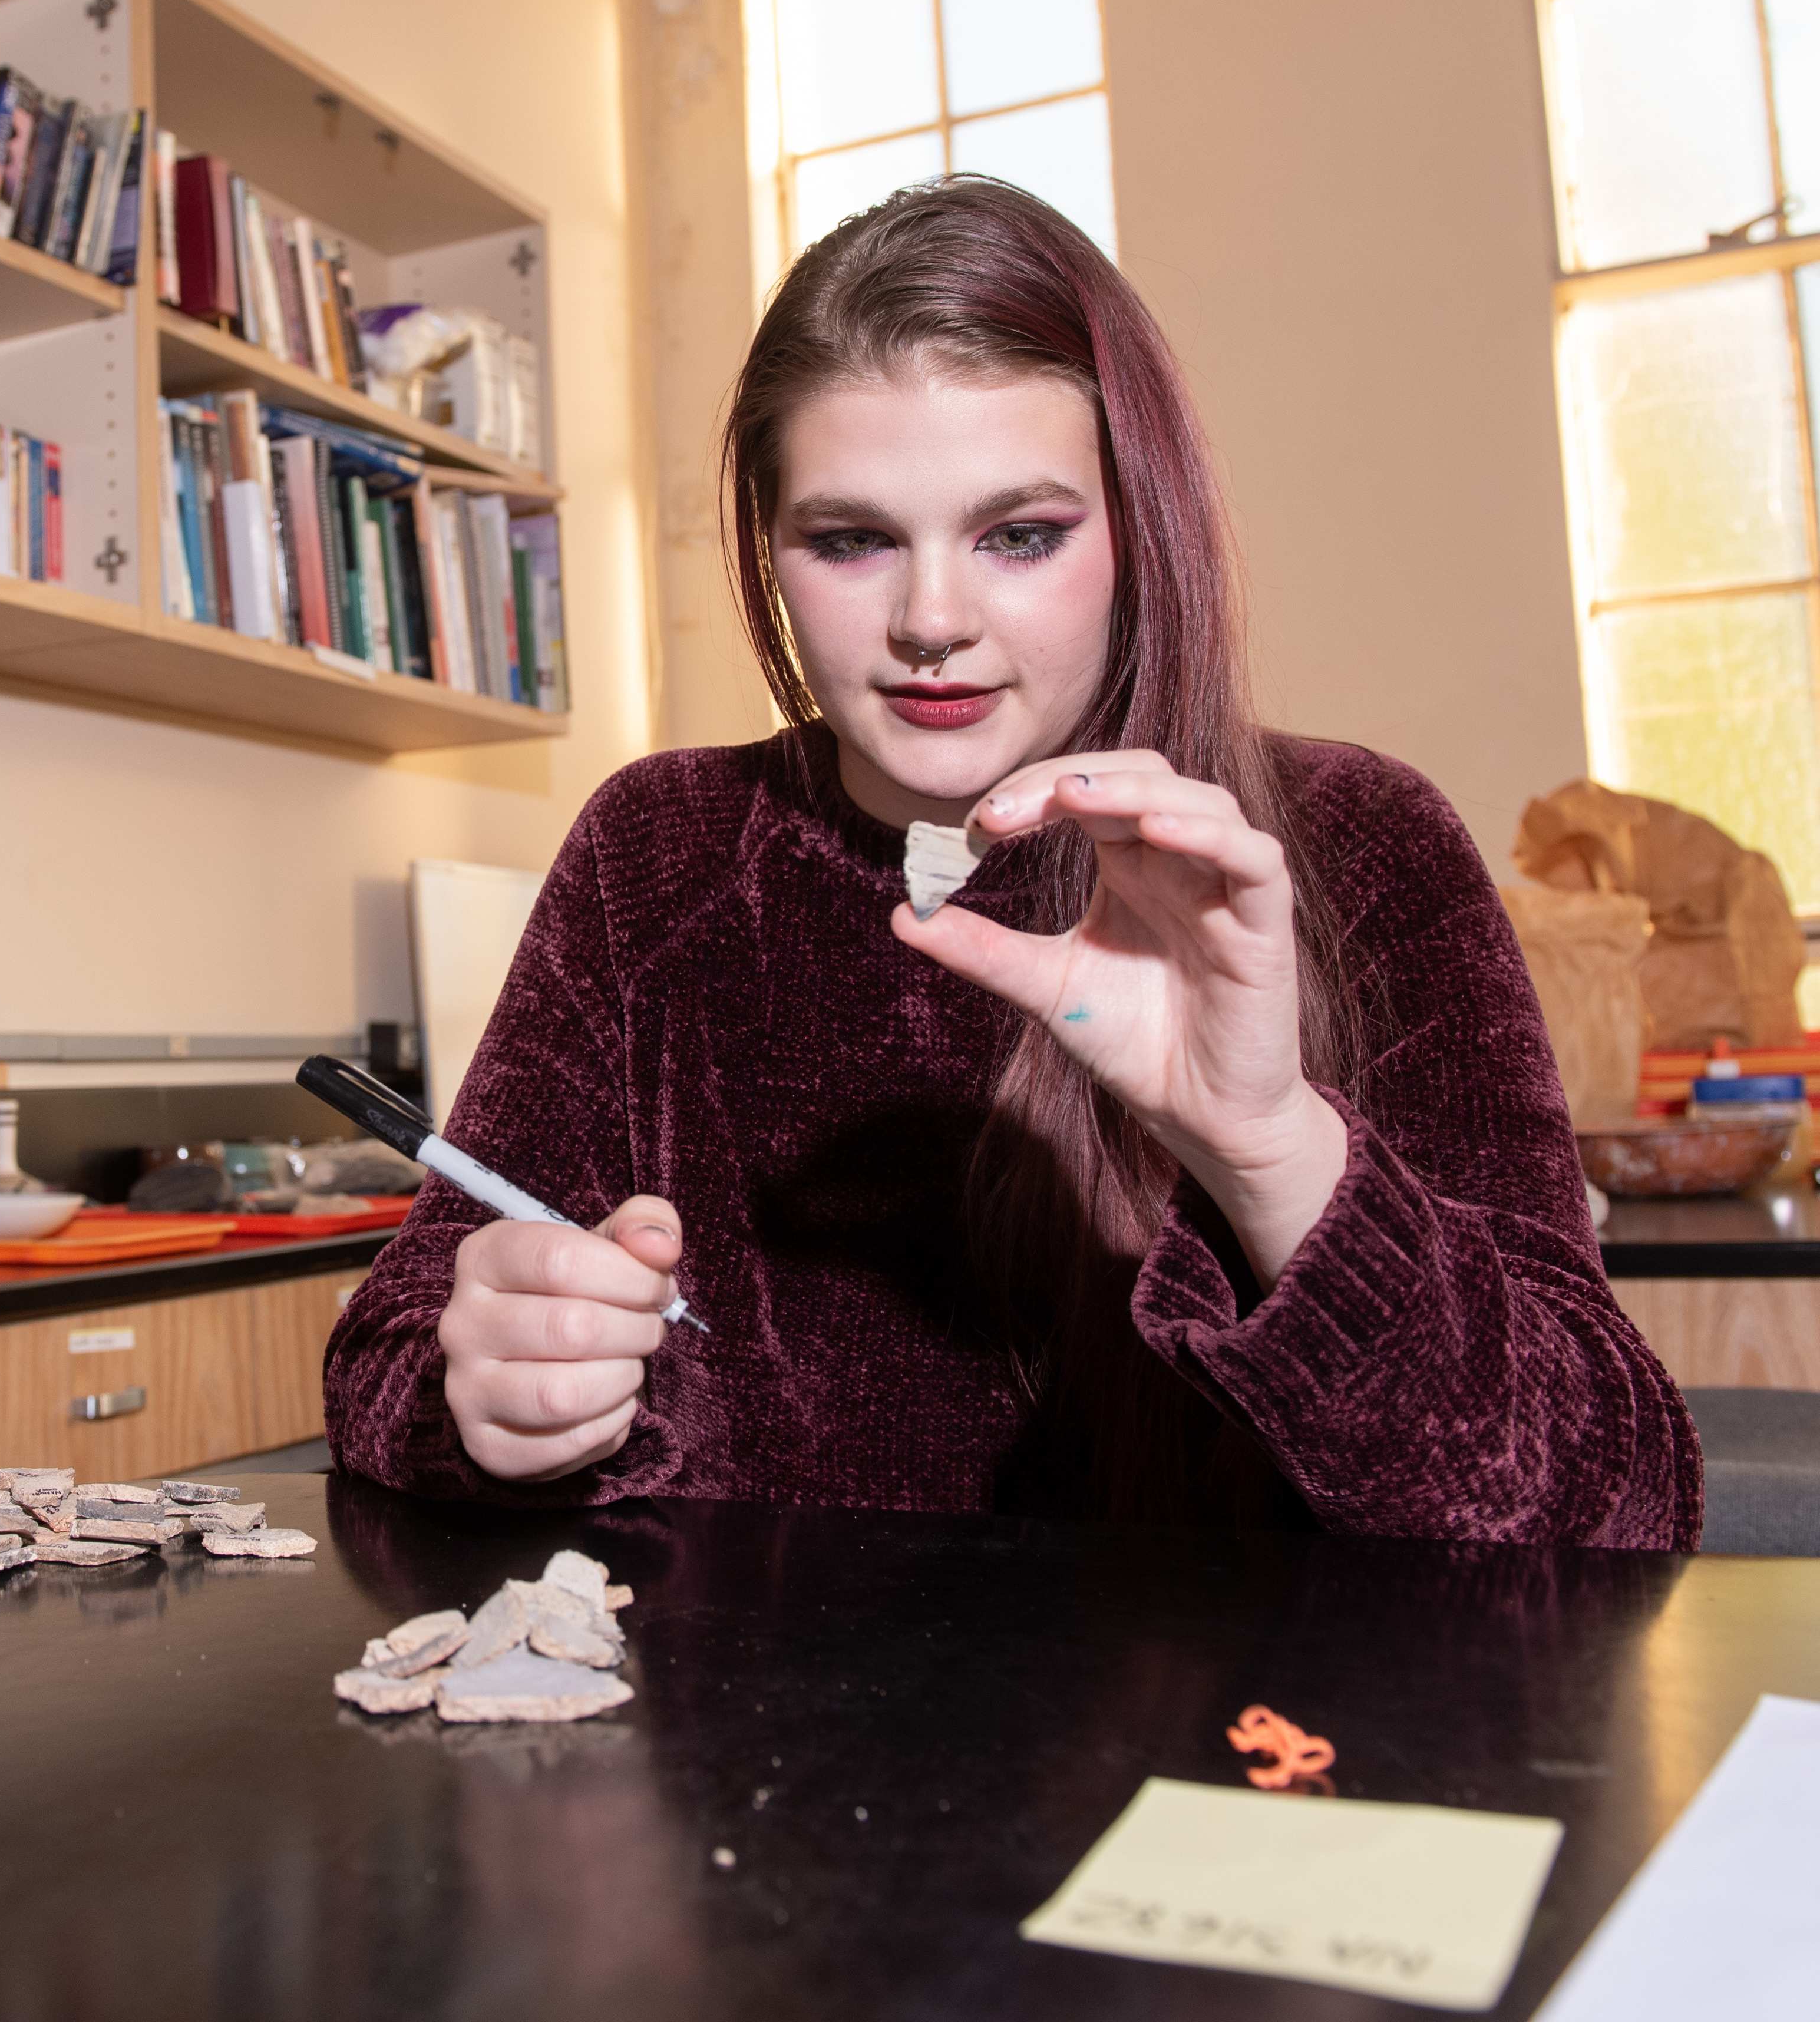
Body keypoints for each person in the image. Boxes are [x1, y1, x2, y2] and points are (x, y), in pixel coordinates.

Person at [324, 177, 1700, 1547]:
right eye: (852, 539)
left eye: (1020, 536)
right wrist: (480, 1392)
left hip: (1248, 1750)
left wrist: (1273, 1145)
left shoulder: (1354, 843)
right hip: (758, 1746)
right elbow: (390, 1351)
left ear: (1137, 524)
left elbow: (1612, 1504)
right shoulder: (661, 850)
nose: (933, 619)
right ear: (771, 545)